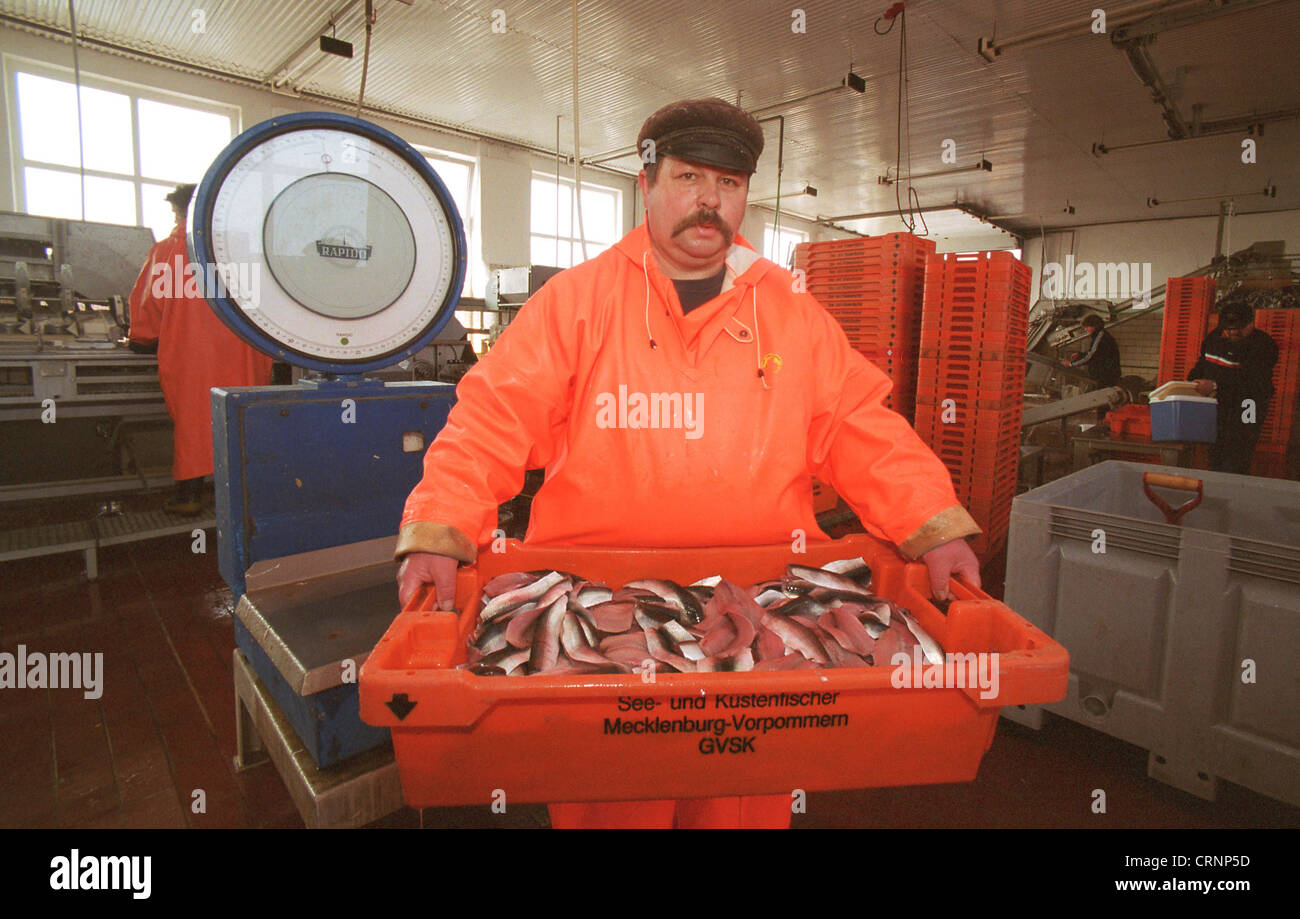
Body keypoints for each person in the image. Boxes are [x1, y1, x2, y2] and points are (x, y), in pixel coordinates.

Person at [394, 98, 983, 828]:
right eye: (688, 176)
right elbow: (492, 417)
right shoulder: (575, 304)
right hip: (600, 618)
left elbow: (861, 425)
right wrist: (440, 523)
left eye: (729, 183)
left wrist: (933, 523)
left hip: (760, 612)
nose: (709, 201)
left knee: (744, 802)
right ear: (647, 182)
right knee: (613, 802)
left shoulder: (792, 311)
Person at [128, 184, 273, 515]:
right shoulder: (247, 251)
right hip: (244, 355)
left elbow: (149, 306)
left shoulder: (168, 252)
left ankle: (190, 495)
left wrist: (140, 338)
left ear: (181, 212)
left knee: (194, 422)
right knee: (239, 421)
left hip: (191, 355)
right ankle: (240, 500)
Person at [1189, 295, 1279, 474]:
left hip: (1251, 404)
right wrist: (1192, 379)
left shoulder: (1263, 345)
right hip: (1222, 404)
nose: (1233, 333)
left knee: (1239, 450)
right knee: (1215, 450)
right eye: (1228, 329)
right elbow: (1203, 362)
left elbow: (1253, 383)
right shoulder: (1214, 338)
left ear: (1251, 323)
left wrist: (1215, 386)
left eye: (1239, 328)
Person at [1063, 314, 1121, 387]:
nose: (1086, 329)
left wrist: (1071, 364)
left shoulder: (1100, 337)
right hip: (1108, 375)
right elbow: (1096, 354)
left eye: (1087, 327)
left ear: (1095, 326)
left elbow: (1091, 356)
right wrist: (1080, 355)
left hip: (1105, 377)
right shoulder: (1102, 335)